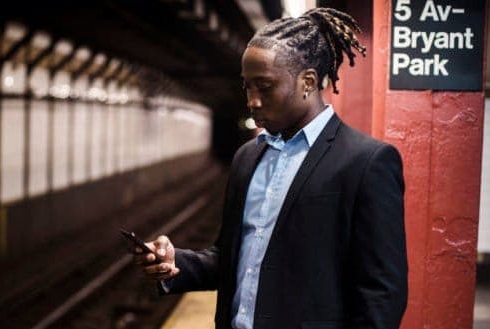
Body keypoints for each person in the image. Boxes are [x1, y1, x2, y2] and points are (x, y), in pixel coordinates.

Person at [133, 7, 407, 329]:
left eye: (264, 86)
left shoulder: (366, 162)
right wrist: (177, 263)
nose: (252, 100)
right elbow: (234, 258)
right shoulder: (248, 157)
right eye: (247, 87)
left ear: (307, 82)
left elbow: (382, 295)